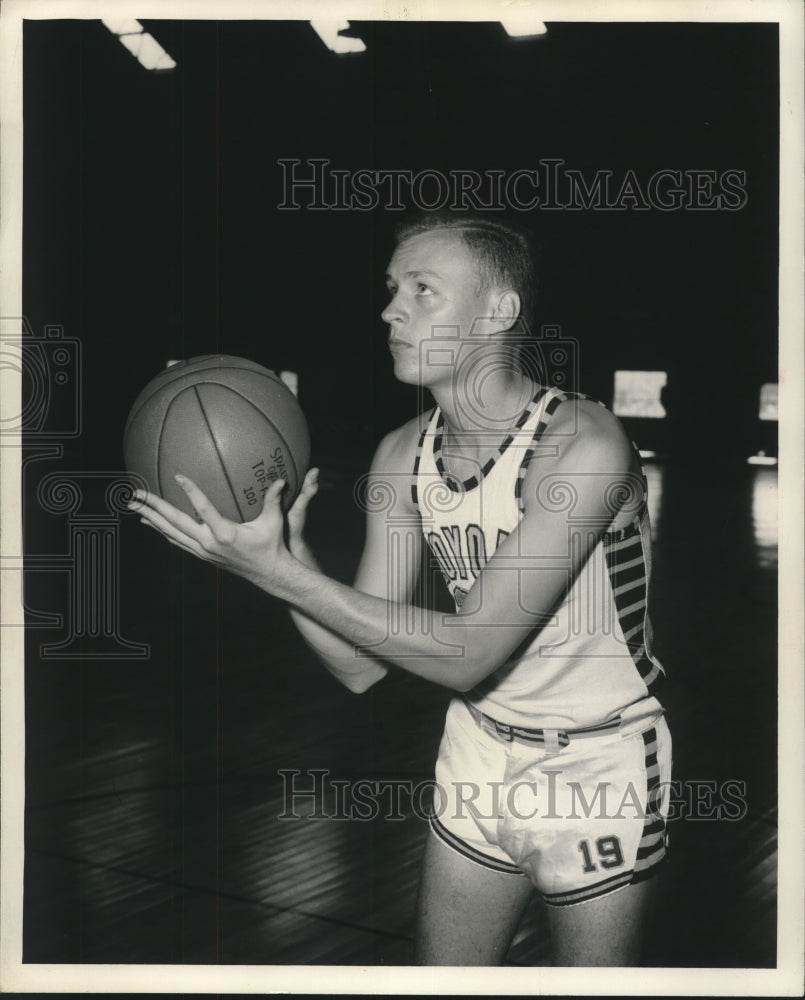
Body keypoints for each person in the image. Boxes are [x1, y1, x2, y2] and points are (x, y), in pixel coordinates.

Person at [132, 213, 672, 967]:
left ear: (498, 311)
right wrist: (280, 559)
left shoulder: (582, 443)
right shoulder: (399, 456)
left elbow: (465, 651)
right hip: (479, 748)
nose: (390, 309)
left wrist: (276, 573)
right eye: (391, 289)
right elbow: (359, 667)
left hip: (596, 762)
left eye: (423, 290)